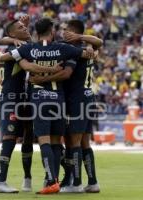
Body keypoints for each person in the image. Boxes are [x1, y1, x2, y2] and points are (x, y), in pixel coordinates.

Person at [0, 18, 95, 194]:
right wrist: (88, 49)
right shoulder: (62, 48)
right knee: (60, 142)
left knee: (43, 141)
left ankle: (49, 180)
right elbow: (88, 54)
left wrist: (40, 74)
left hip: (38, 100)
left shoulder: (29, 48)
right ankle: (58, 180)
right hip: (59, 100)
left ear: (36, 33)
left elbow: (10, 60)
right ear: (52, 31)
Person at [0, 19, 63, 193]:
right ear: (13, 34)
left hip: (25, 99)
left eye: (25, 27)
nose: (26, 28)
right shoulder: (14, 50)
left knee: (29, 137)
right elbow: (26, 64)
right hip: (11, 99)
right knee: (9, 138)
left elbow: (31, 46)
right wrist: (54, 70)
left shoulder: (23, 46)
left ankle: (27, 178)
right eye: (21, 28)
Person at [58, 20, 101, 193]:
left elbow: (98, 42)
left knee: (73, 142)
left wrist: (80, 37)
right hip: (89, 97)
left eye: (66, 30)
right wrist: (84, 40)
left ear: (73, 32)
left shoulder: (74, 50)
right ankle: (93, 182)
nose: (63, 32)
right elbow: (98, 43)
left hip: (77, 99)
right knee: (85, 142)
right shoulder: (87, 49)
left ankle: (75, 183)